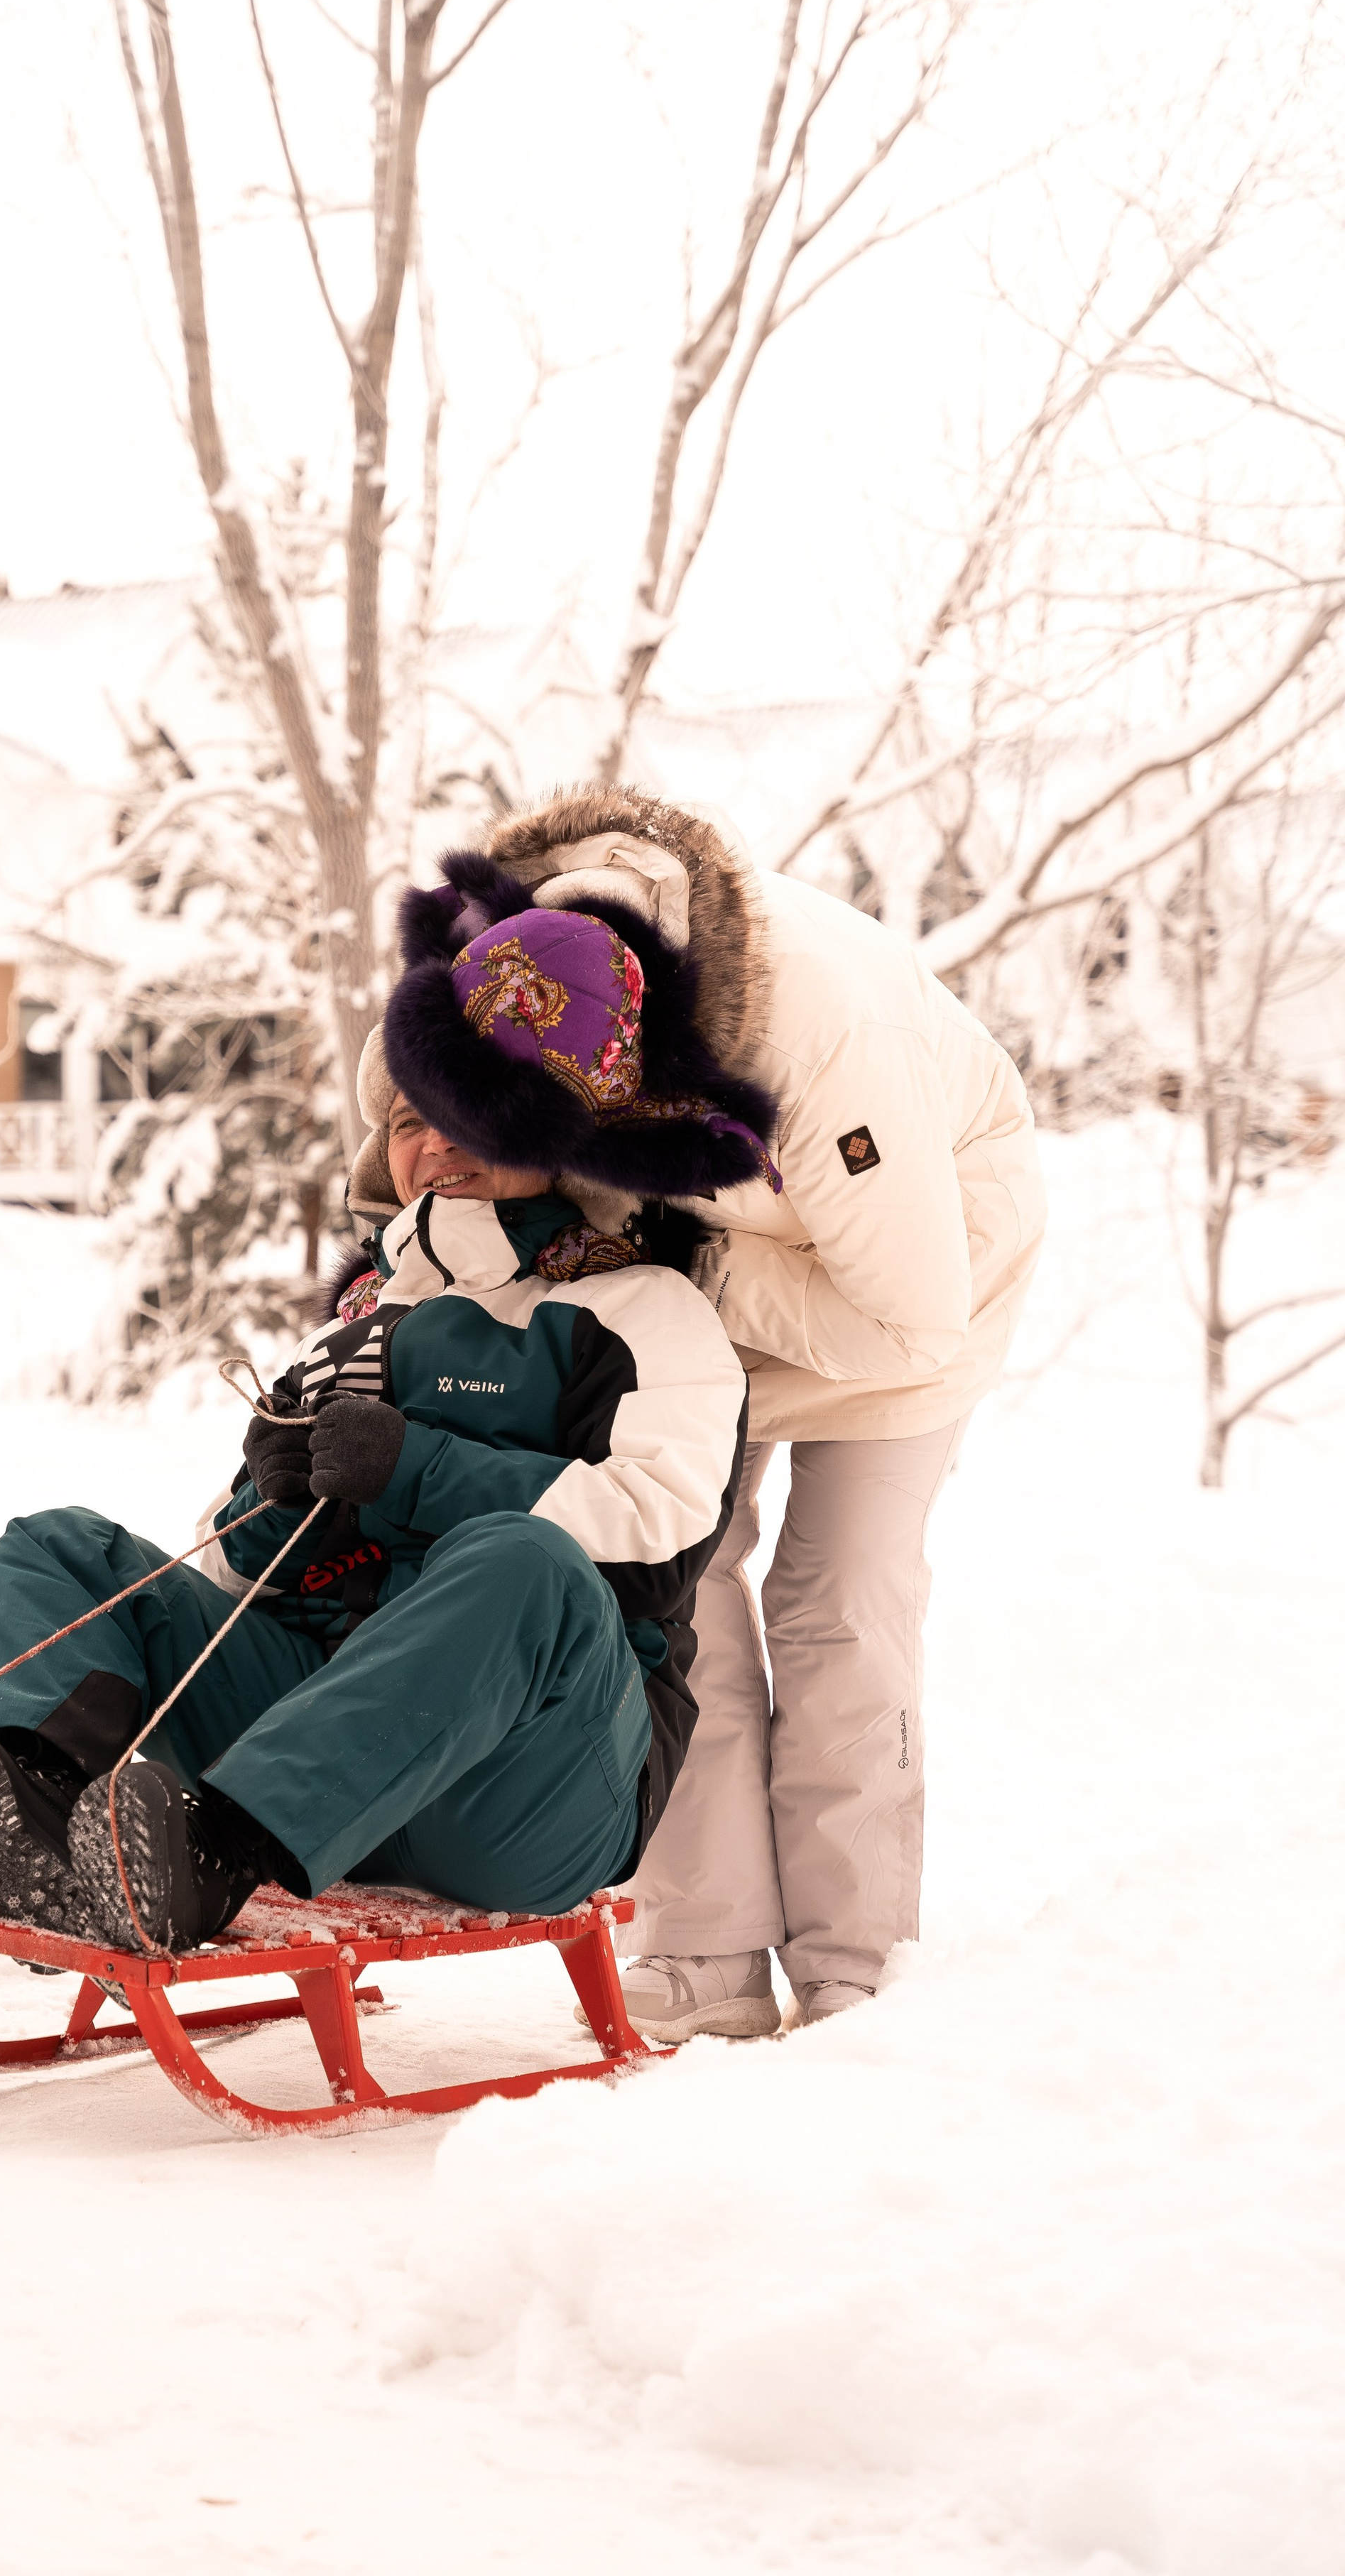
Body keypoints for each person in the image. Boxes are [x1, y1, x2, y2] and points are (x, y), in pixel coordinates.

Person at [0, 891, 774, 1953]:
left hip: (527, 1785)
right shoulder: (361, 1319)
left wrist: (414, 1468)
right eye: (408, 1123)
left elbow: (664, 1525)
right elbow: (231, 1581)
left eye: (468, 1118)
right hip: (317, 1729)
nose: (434, 1145)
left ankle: (211, 1858)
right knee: (59, 1550)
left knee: (521, 1562)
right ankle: (36, 1826)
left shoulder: (639, 1313)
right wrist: (269, 1498)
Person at [396, 790, 1044, 2039]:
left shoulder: (823, 1047)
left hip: (922, 1271)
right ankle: (705, 1949)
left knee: (839, 1602)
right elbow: (410, 1144)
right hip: (697, 1266)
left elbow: (915, 1319)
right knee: (668, 1576)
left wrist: (691, 1270)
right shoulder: (496, 974)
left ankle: (856, 1960)